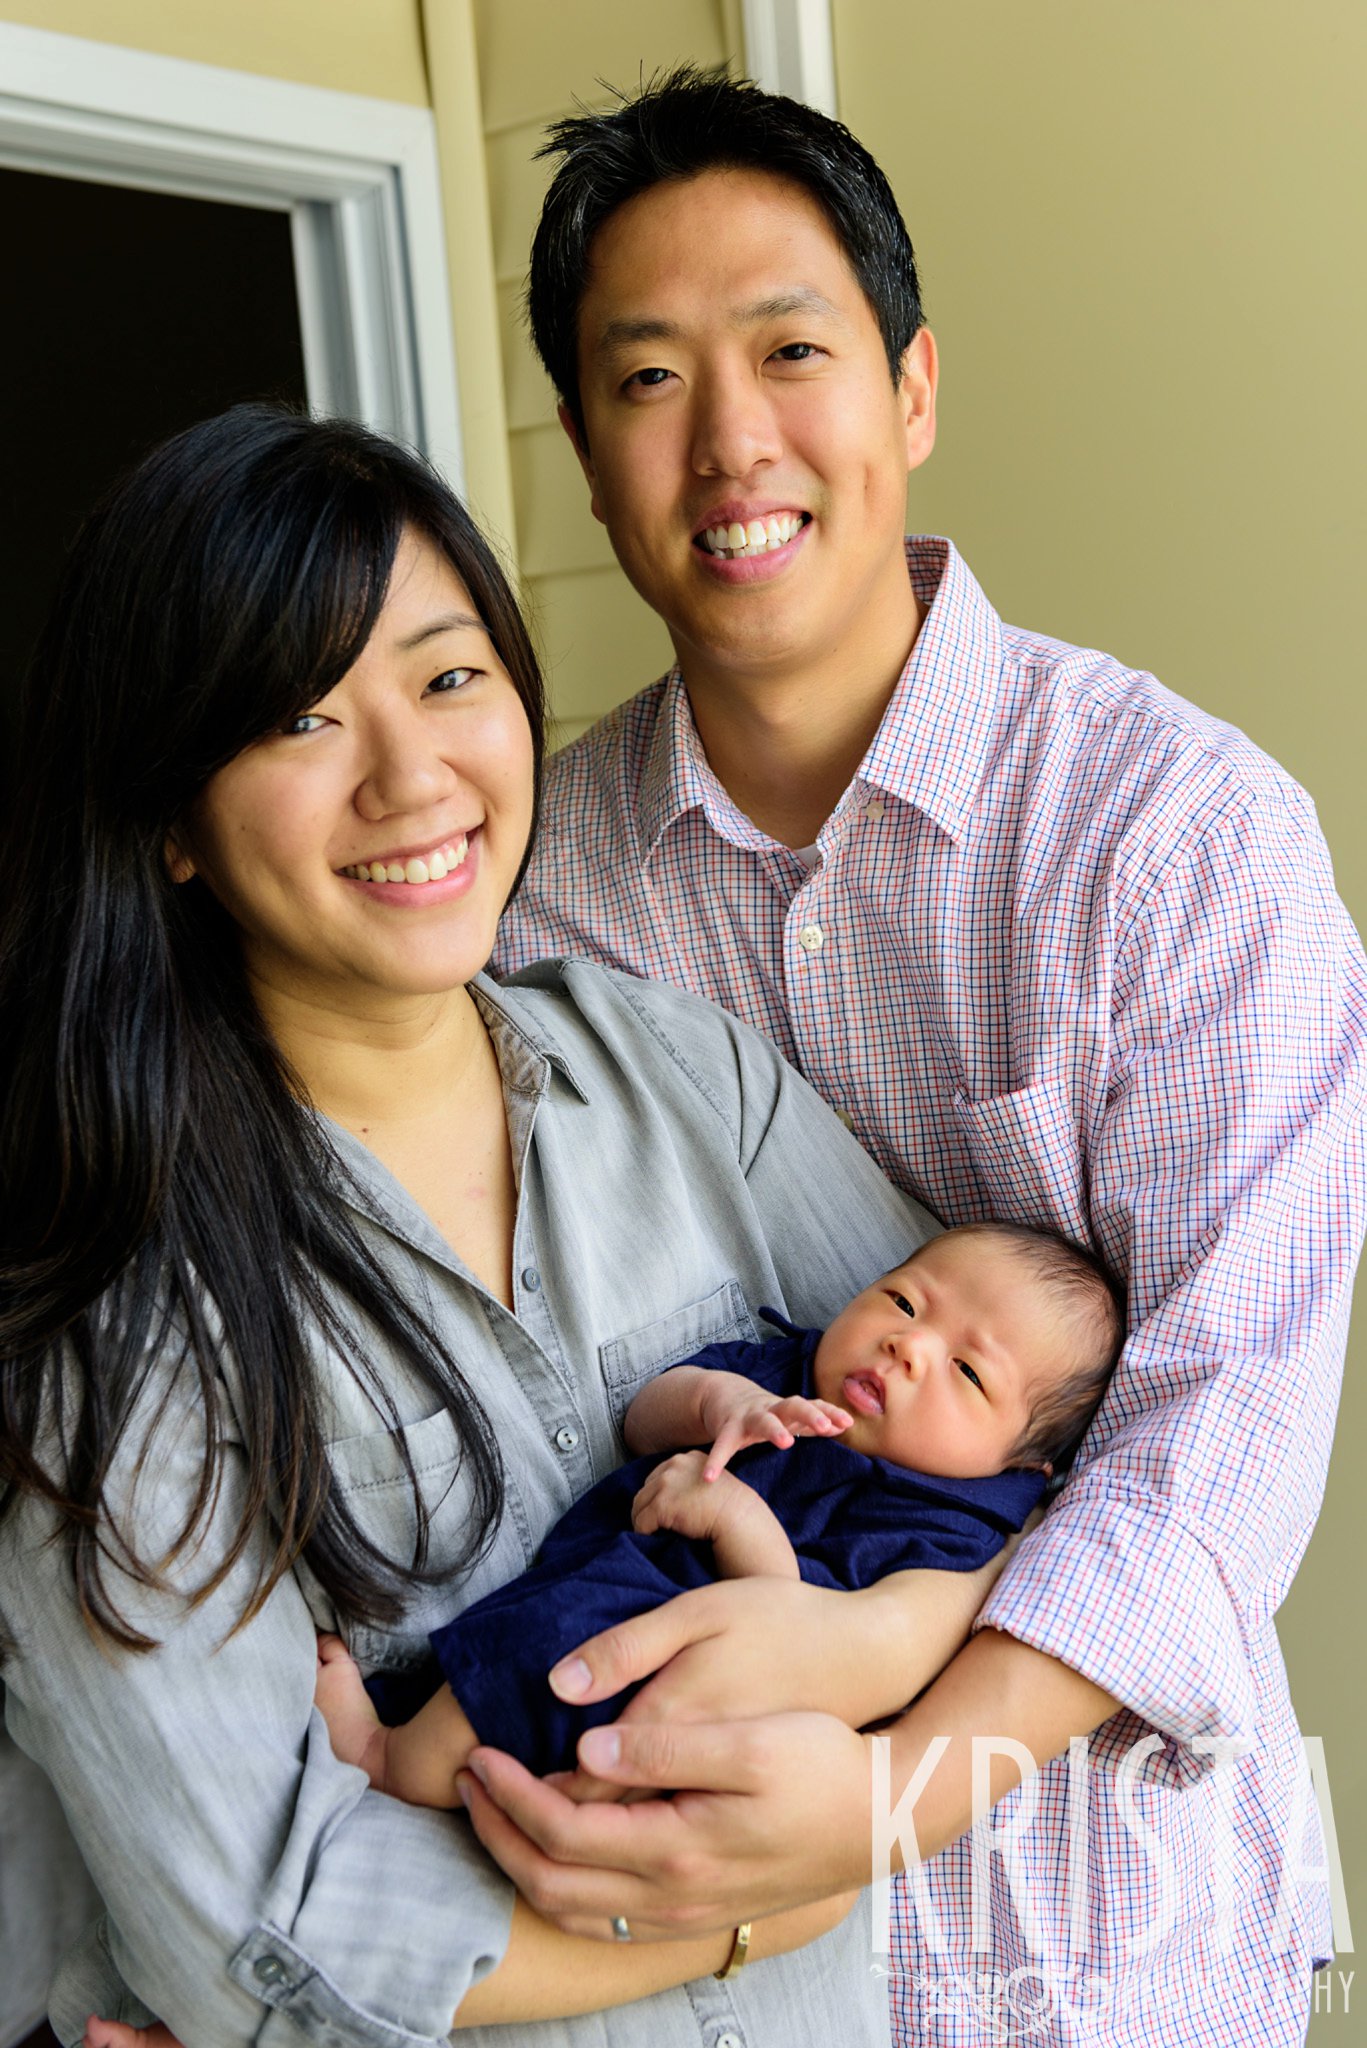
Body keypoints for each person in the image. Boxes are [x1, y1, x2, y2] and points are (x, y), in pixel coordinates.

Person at [488, 67, 1367, 2046]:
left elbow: (1212, 1449)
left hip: (1109, 1951)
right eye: (645, 380)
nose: (729, 441)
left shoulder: (1181, 841)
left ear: (906, 392)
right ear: (582, 446)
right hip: (671, 1966)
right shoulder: (526, 899)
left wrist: (889, 1791)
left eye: (788, 352)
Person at [0, 402, 1018, 2048]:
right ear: (172, 818)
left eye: (448, 673)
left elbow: (1016, 1471)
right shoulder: (118, 1305)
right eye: (298, 716)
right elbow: (263, 1934)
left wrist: (868, 1713)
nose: (412, 775)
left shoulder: (675, 1069)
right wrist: (784, 1888)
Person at [314, 1222, 1123, 1803]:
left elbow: (808, 1647)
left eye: (967, 1372)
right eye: (903, 1302)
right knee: (520, 1649)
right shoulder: (788, 1372)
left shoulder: (943, 1530)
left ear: (1021, 1465)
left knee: (532, 1660)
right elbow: (642, 1418)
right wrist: (722, 1400)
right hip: (611, 1580)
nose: (906, 1346)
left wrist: (737, 1519)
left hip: (706, 1679)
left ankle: (385, 1759)